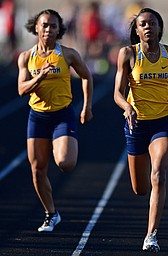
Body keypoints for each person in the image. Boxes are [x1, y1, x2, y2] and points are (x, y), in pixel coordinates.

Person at [114, 7, 168, 252]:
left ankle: (151, 235)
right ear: (136, 31)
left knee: (158, 173)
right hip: (136, 124)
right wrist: (127, 107)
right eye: (143, 24)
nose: (148, 27)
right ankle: (150, 199)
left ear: (160, 28)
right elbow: (117, 93)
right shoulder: (127, 54)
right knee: (140, 188)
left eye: (152, 23)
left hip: (162, 122)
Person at [17, 9, 93, 232]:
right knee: (37, 170)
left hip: (62, 114)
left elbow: (87, 75)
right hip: (38, 117)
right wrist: (39, 76)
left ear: (59, 29)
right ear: (36, 28)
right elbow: (22, 89)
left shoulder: (68, 54)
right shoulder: (26, 57)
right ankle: (51, 214)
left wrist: (87, 105)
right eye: (45, 25)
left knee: (65, 163)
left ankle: (58, 143)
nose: (48, 29)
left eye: (53, 26)